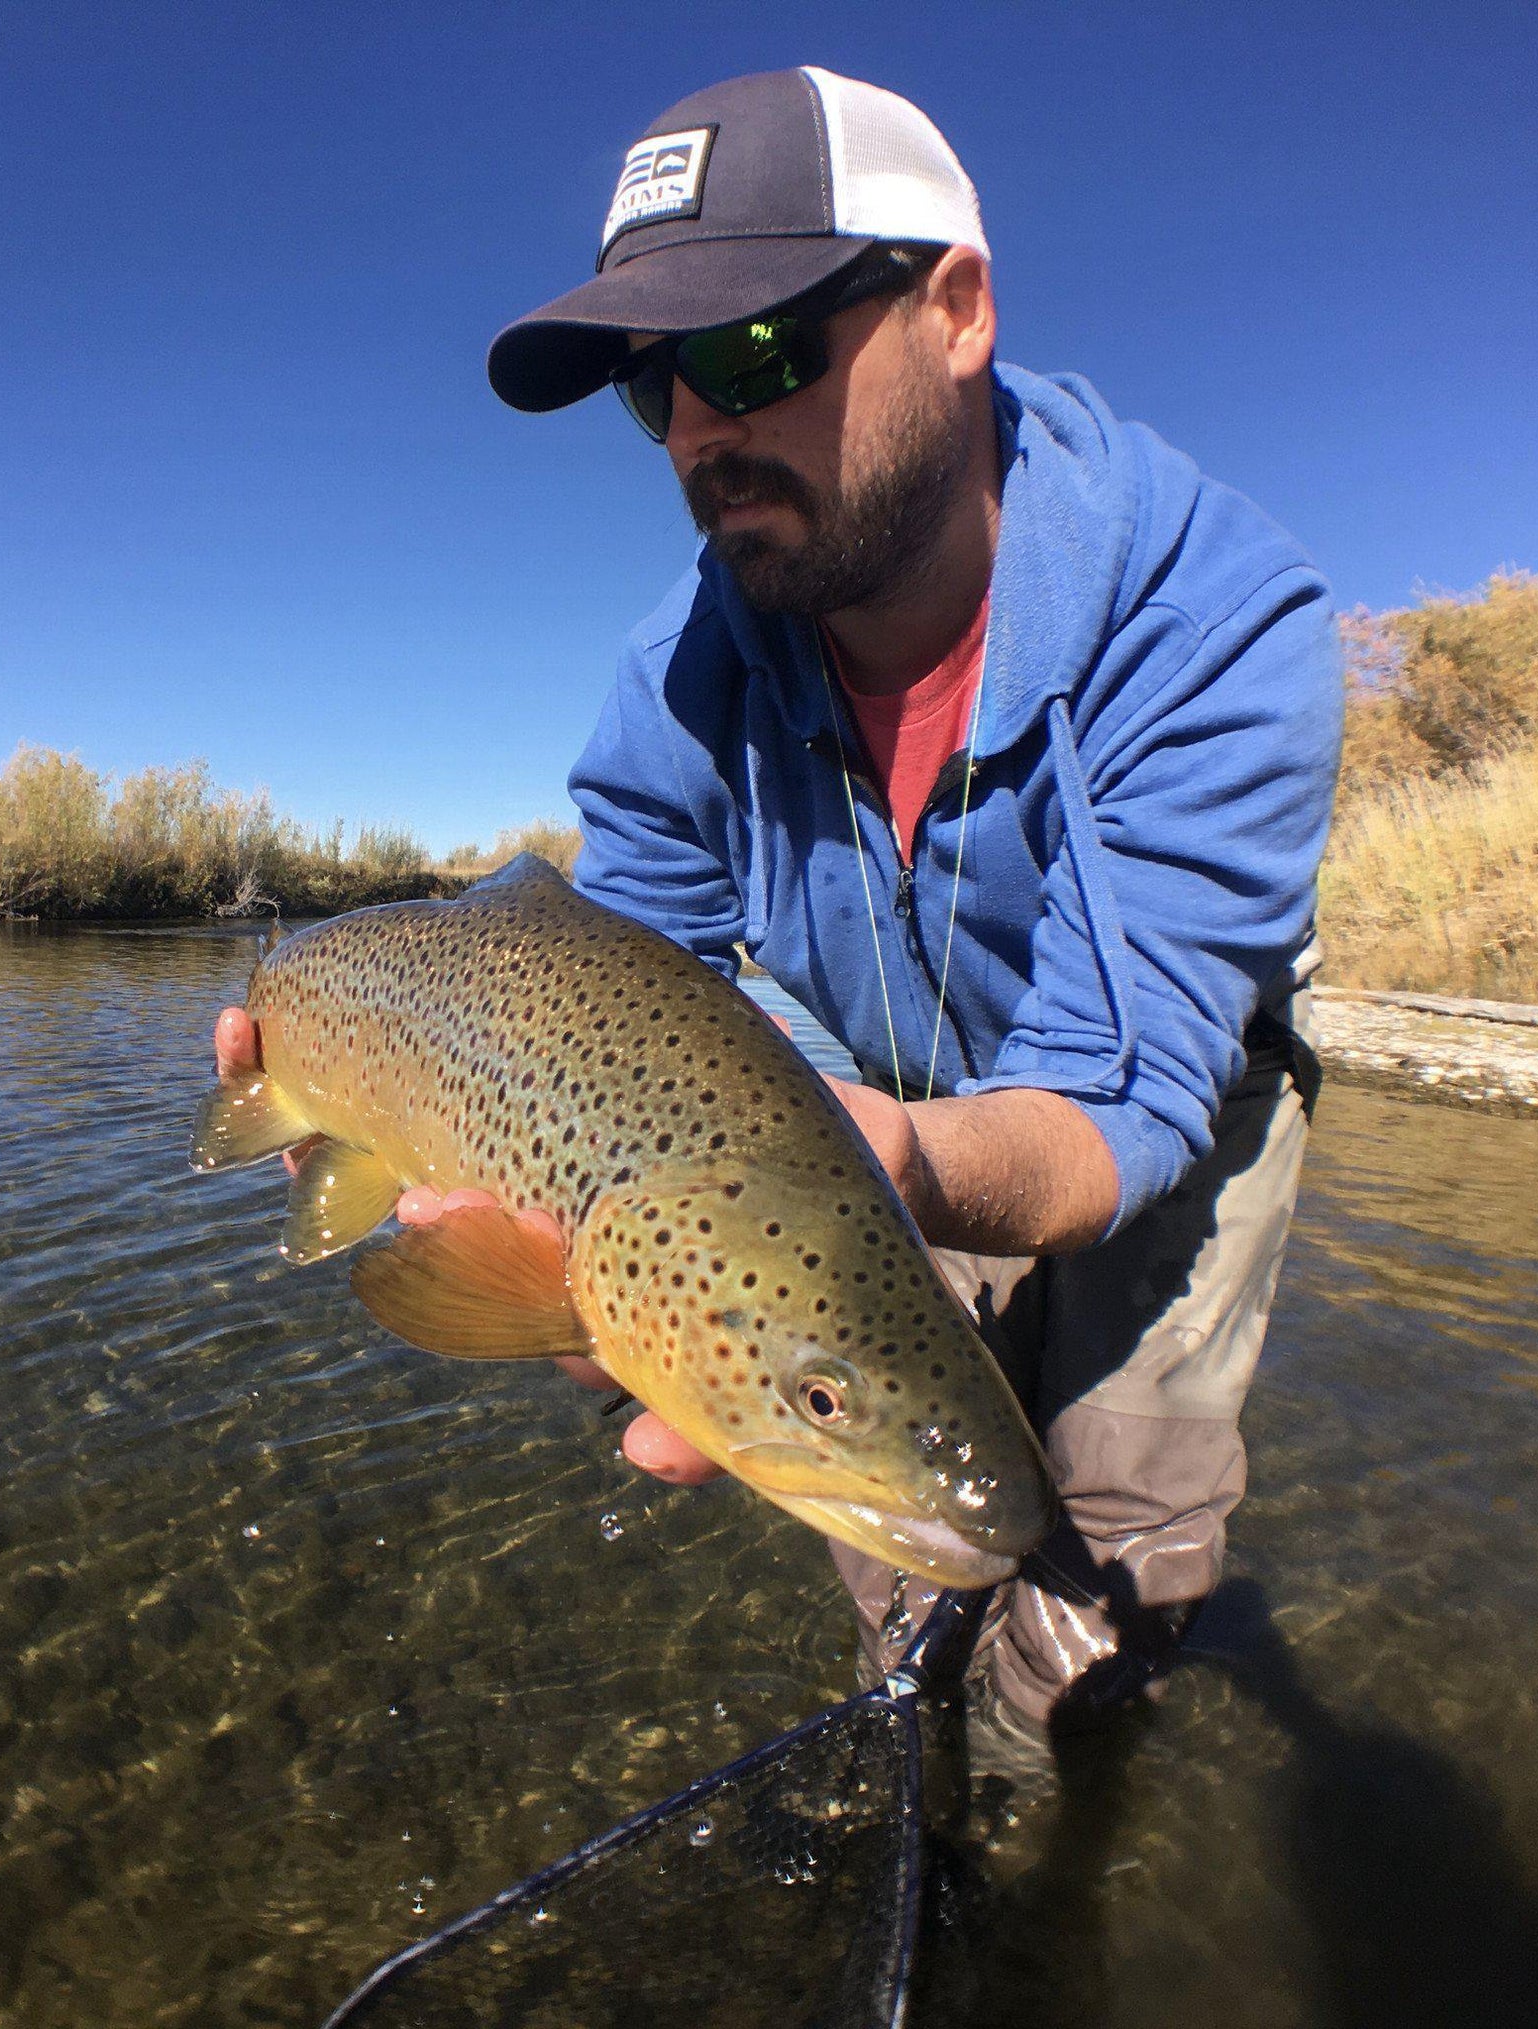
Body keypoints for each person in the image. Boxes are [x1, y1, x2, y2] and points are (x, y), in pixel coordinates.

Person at [213, 66, 1342, 1745]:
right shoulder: (676, 674)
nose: (696, 430)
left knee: (1095, 1563)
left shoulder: (1215, 627)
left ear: (955, 309)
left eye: (752, 349)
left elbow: (1122, 1085)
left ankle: (1056, 1778)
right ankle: (910, 1699)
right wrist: (501, 1187)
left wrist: (893, 1160)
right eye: (654, 385)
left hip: (1155, 1101)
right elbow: (617, 994)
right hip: (833, 1104)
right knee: (871, 1497)